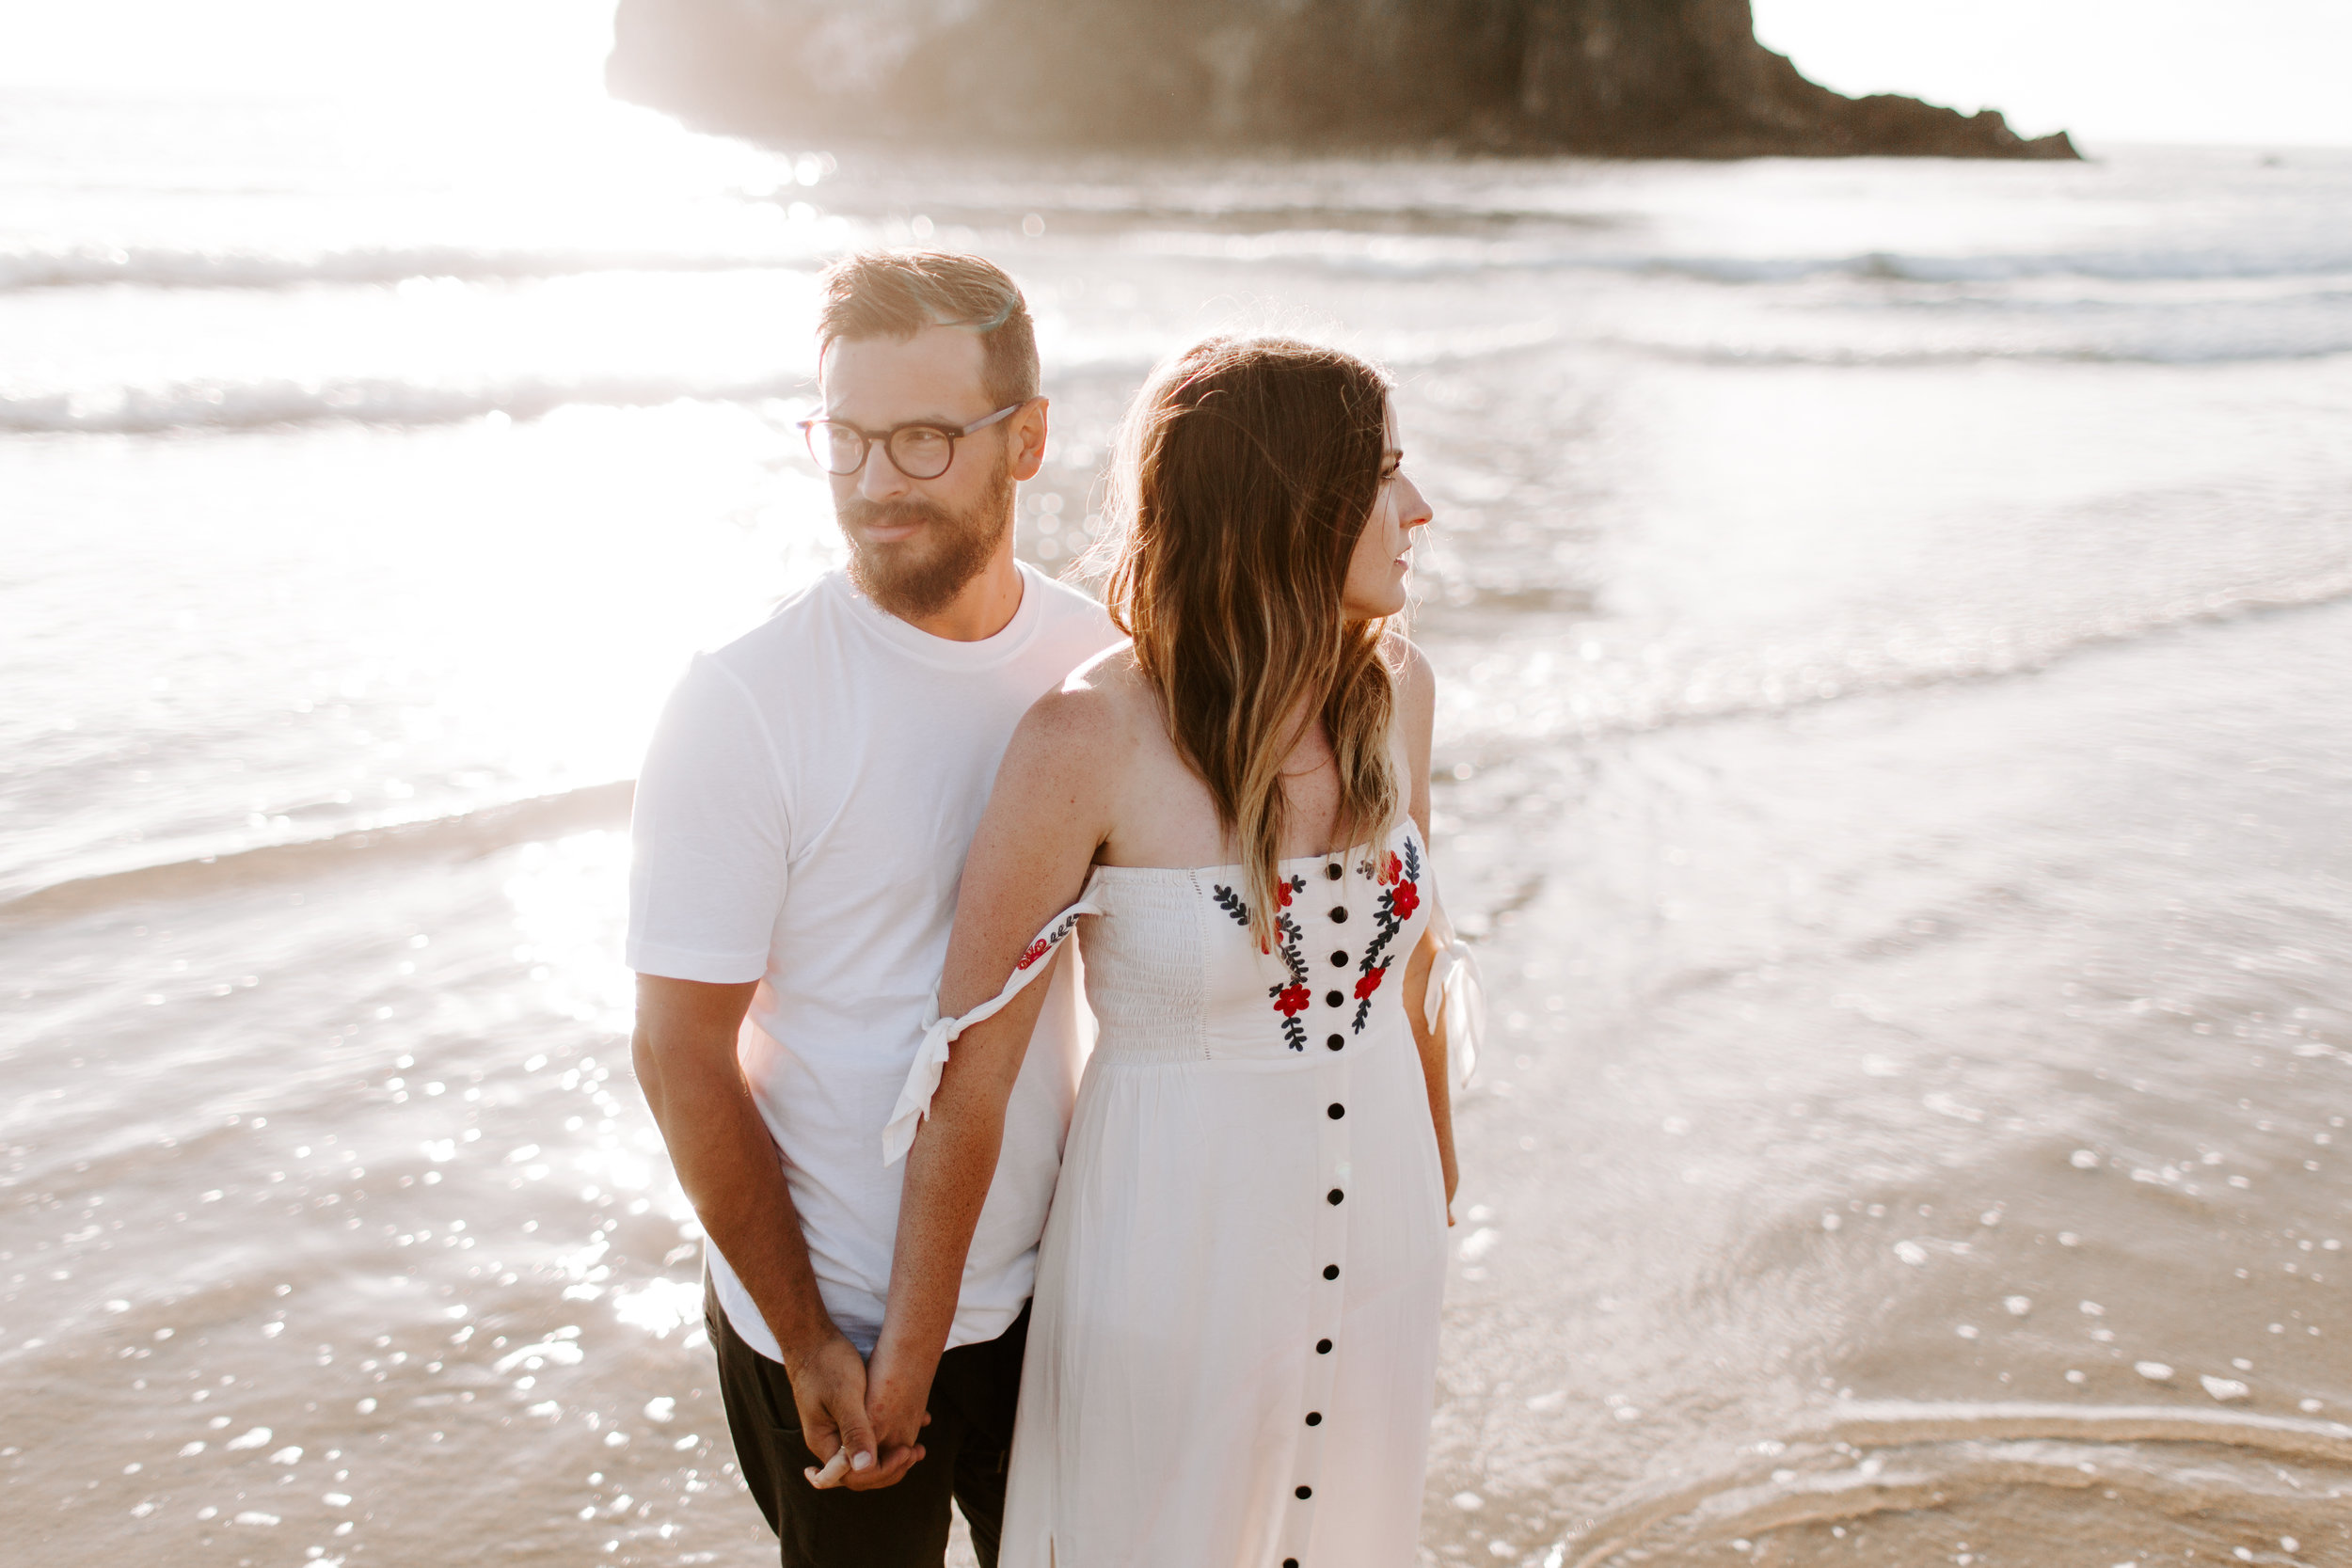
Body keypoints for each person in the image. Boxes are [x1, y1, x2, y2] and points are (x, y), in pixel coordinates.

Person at [866, 336, 1478, 1566]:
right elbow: (965, 1085)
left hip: (1383, 1241)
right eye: (1386, 473)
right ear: (1290, 500)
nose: (1418, 507)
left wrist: (1441, 1197)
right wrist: (905, 1372)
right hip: (1171, 1258)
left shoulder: (1396, 693)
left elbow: (1412, 978)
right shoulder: (1086, 740)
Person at [626, 249, 1118, 1567]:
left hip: (1047, 1301)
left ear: (1027, 441)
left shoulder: (1101, 663)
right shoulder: (747, 700)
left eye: (918, 438)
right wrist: (804, 1337)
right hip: (825, 1320)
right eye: (841, 438)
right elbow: (678, 1055)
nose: (873, 481)